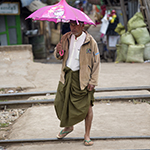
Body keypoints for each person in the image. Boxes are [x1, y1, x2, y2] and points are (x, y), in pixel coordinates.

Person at [54, 20, 100, 146]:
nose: (72, 28)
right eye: (71, 25)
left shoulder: (91, 42)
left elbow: (96, 63)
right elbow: (59, 56)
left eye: (75, 25)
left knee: (87, 107)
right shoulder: (66, 38)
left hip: (83, 79)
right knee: (60, 102)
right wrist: (58, 51)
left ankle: (87, 135)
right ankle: (69, 127)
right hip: (66, 76)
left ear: (82, 25)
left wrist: (93, 81)